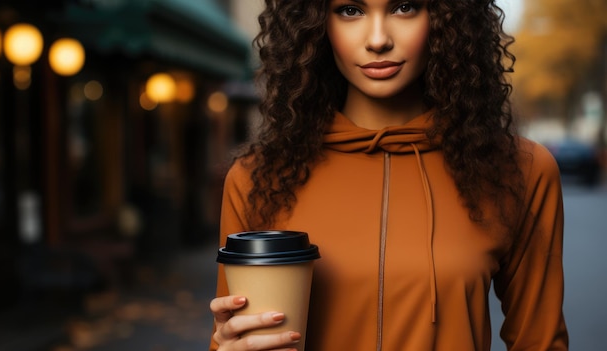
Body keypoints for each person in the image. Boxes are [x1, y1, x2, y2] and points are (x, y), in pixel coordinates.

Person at [210, 0, 569, 350]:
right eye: (350, 10)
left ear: (447, 17)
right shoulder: (260, 178)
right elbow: (233, 334)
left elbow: (539, 342)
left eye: (404, 7)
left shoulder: (518, 170)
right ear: (317, 22)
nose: (378, 38)